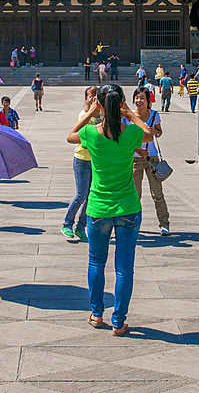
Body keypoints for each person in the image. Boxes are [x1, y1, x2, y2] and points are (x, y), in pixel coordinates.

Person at [66, 83, 154, 336]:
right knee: (124, 267)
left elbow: (70, 135)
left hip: (98, 208)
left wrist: (90, 114)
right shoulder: (131, 134)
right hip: (127, 206)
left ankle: (96, 313)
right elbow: (149, 133)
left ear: (100, 105)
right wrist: (130, 114)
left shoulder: (91, 134)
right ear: (122, 103)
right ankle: (119, 320)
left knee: (96, 262)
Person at [130, 86, 170, 236]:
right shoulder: (129, 117)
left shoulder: (154, 115)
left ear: (148, 101)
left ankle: (164, 223)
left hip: (152, 158)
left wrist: (155, 132)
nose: (139, 101)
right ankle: (133, 223)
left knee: (157, 193)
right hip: (135, 159)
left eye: (142, 98)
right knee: (135, 194)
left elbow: (159, 132)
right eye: (137, 98)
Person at [63, 86, 99, 242]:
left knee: (91, 197)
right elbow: (81, 137)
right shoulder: (83, 115)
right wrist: (91, 112)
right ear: (86, 99)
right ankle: (67, 223)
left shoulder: (102, 116)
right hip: (82, 160)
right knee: (81, 194)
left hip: (97, 161)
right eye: (91, 96)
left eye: (96, 95)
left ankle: (81, 227)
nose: (94, 98)